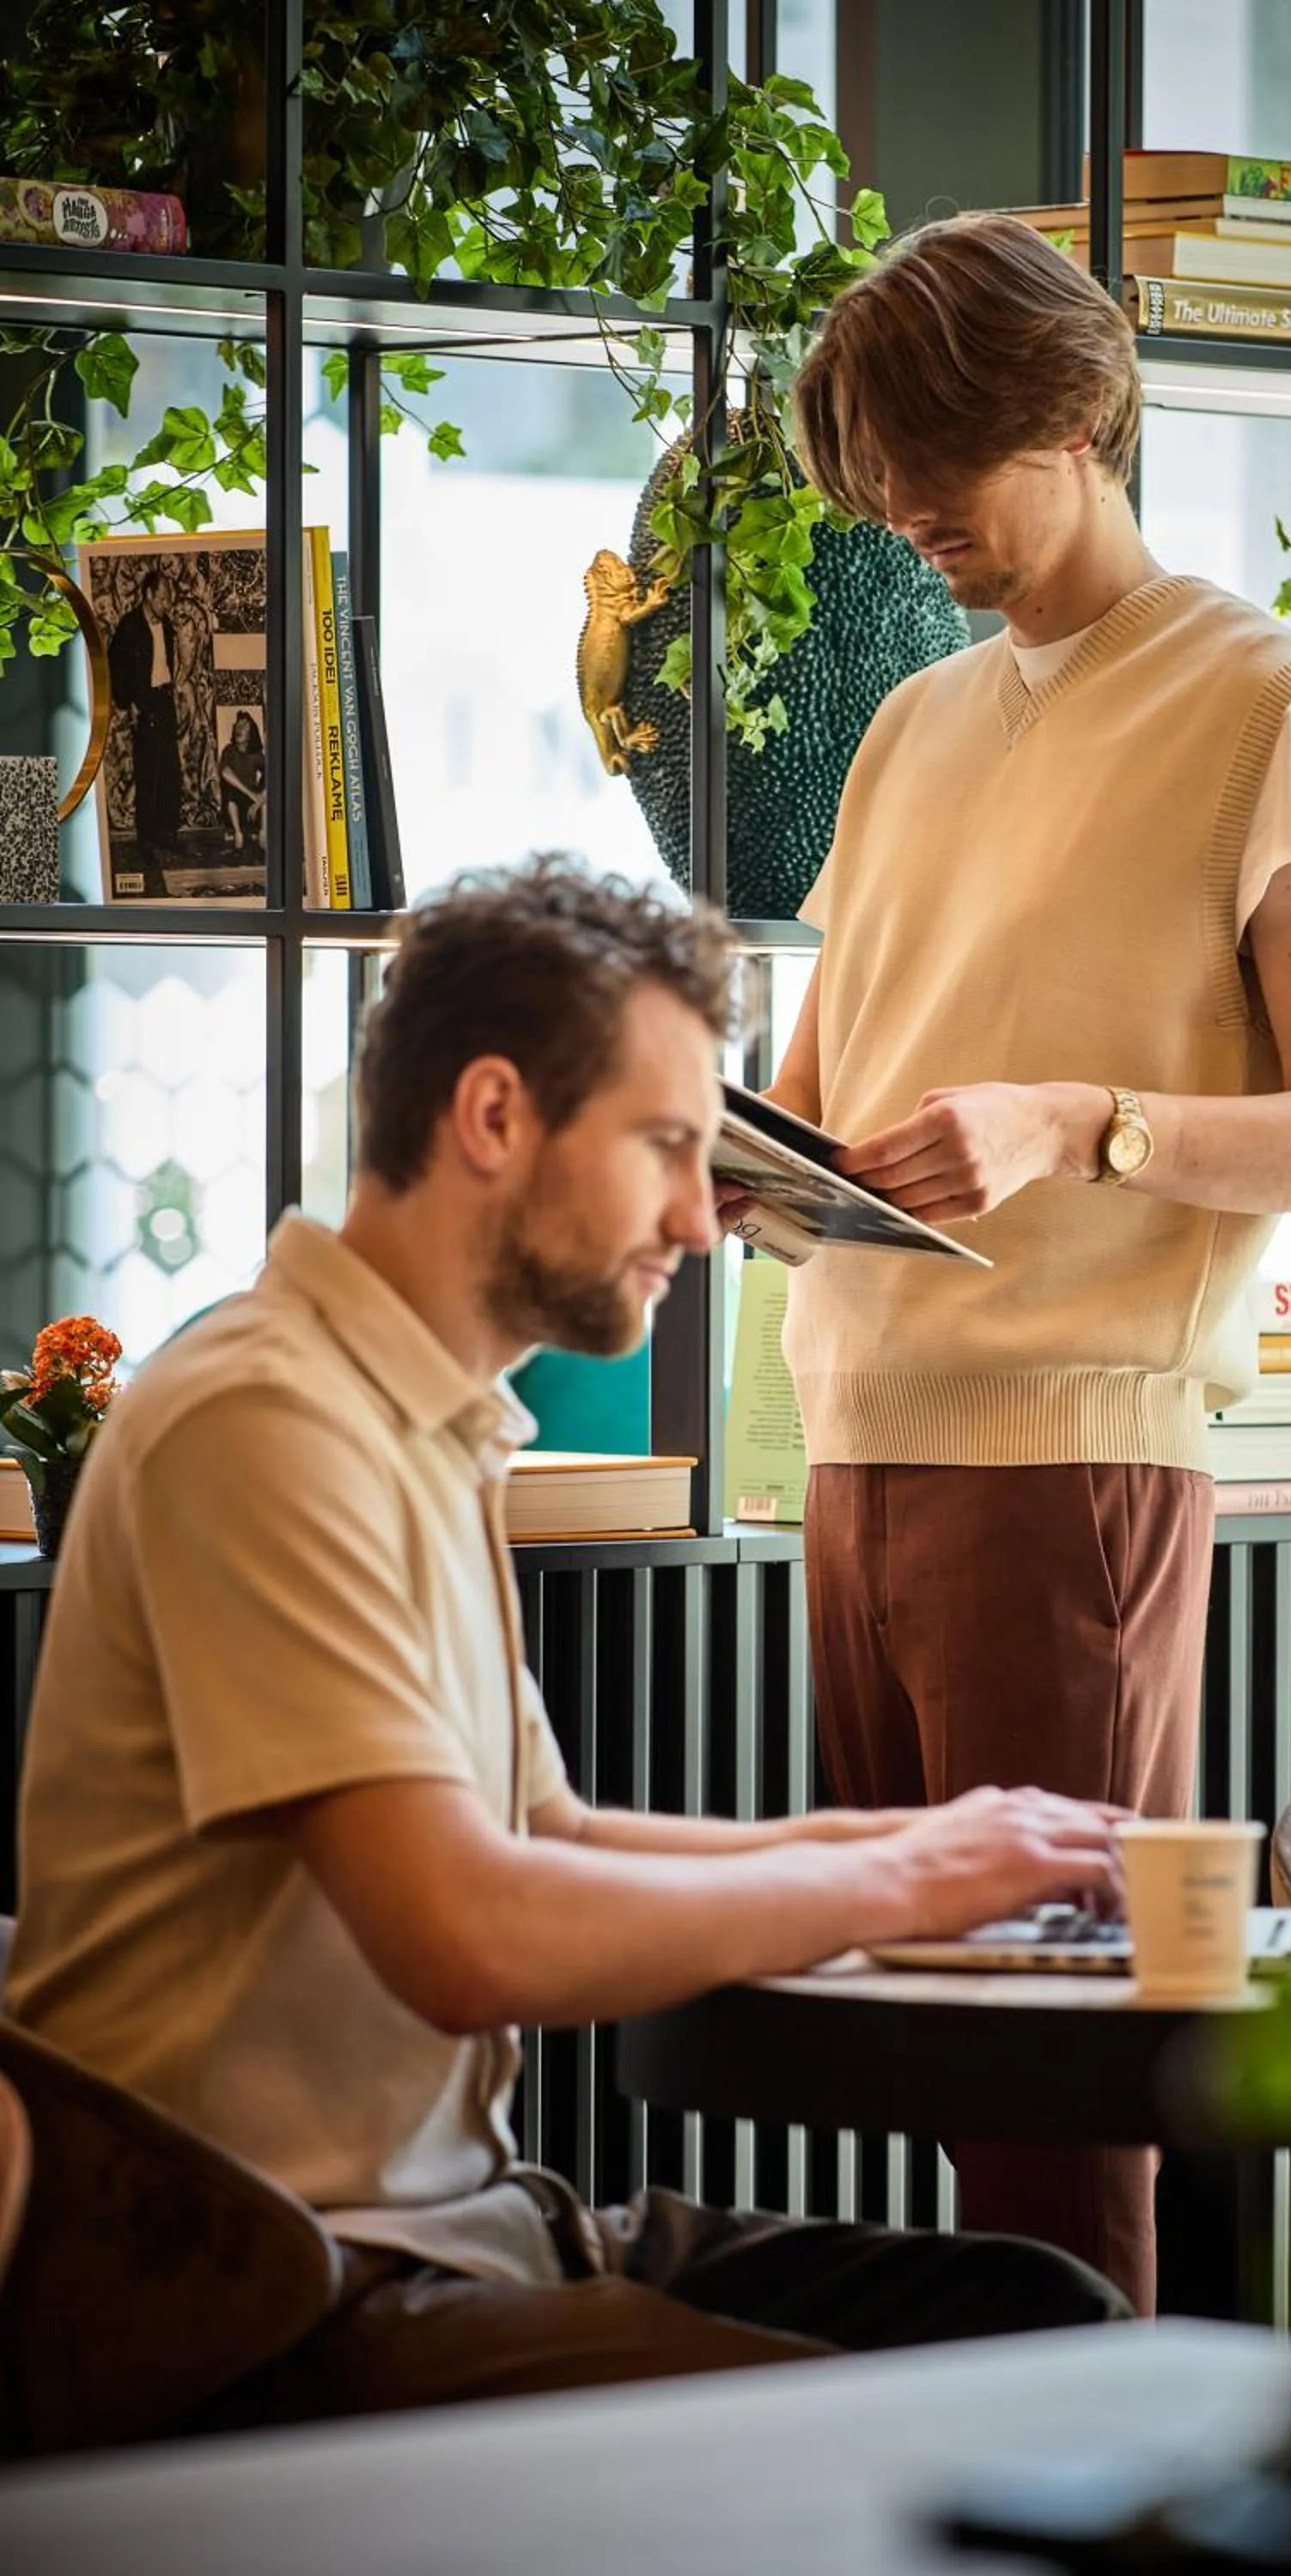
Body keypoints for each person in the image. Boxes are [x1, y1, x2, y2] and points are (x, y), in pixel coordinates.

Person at [3, 856, 1133, 2432]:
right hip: (269, 2296)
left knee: (1044, 2317)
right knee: (943, 2418)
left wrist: (936, 1839)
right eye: (669, 1147)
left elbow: (548, 1835)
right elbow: (471, 1936)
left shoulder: (421, 1420)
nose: (702, 1215)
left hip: (467, 2228)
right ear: (491, 1118)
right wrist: (902, 1887)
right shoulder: (262, 1421)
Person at [747, 213, 1291, 2314]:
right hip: (848, 1446)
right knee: (916, 2056)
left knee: (1049, 2101)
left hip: (1071, 1463)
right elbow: (819, 1081)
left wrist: (1082, 1119)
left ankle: (1082, 2487)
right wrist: (708, 1146)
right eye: (879, 483)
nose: (908, 518)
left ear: (1083, 410)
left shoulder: (1252, 699)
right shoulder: (905, 725)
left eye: (942, 468)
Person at [107, 567, 183, 856]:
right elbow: (115, 668)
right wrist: (130, 704)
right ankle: (147, 839)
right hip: (144, 703)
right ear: (149, 594)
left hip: (165, 700)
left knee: (170, 772)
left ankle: (167, 832)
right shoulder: (129, 627)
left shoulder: (166, 626)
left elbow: (166, 663)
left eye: (169, 599)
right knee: (148, 774)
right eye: (163, 598)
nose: (167, 603)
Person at [218, 708, 266, 852]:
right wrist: (252, 795)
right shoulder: (229, 750)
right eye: (237, 726)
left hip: (252, 808)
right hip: (233, 807)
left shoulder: (256, 755)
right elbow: (225, 772)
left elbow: (273, 775)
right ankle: (238, 833)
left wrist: (260, 799)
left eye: (244, 727)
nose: (239, 729)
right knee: (229, 789)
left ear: (252, 733)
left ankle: (263, 833)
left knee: (267, 789)